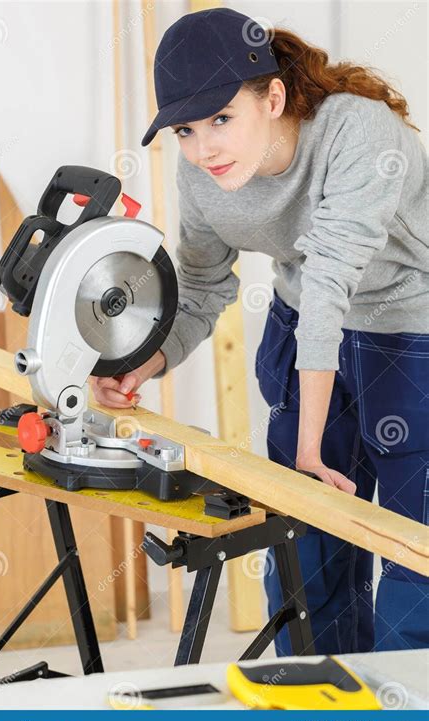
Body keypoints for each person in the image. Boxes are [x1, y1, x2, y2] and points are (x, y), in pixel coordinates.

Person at [91, 7, 429, 654]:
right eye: (185, 130)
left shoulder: (362, 135)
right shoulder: (202, 170)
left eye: (222, 119)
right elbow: (202, 285)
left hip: (410, 336)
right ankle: (314, 707)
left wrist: (309, 452)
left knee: (414, 551)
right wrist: (144, 363)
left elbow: (333, 282)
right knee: (307, 546)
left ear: (272, 97)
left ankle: (400, 720)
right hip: (305, 330)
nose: (204, 147)